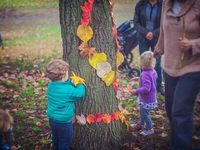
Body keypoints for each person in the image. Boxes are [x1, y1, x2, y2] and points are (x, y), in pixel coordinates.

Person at [154, 0, 200, 149]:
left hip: (193, 67)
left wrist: (193, 44)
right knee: (170, 109)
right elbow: (163, 27)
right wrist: (159, 48)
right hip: (170, 65)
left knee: (180, 112)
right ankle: (181, 142)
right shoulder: (166, 3)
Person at [45, 59, 86, 150]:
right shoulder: (68, 90)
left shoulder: (51, 85)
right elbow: (80, 93)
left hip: (52, 119)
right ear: (63, 76)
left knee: (56, 139)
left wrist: (69, 82)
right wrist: (80, 83)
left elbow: (62, 85)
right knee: (64, 142)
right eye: (67, 73)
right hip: (64, 122)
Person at [134, 0, 164, 95]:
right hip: (143, 37)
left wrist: (153, 33)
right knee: (144, 63)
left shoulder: (163, 5)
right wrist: (146, 33)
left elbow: (166, 23)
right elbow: (136, 23)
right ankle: (143, 86)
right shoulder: (140, 4)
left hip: (157, 38)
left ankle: (159, 86)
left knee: (157, 62)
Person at [129, 51, 158, 136]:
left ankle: (149, 129)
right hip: (151, 98)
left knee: (145, 114)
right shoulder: (152, 71)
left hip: (147, 99)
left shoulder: (145, 73)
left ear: (143, 63)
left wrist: (136, 91)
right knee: (142, 112)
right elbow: (150, 81)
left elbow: (146, 88)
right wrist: (138, 78)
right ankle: (140, 124)